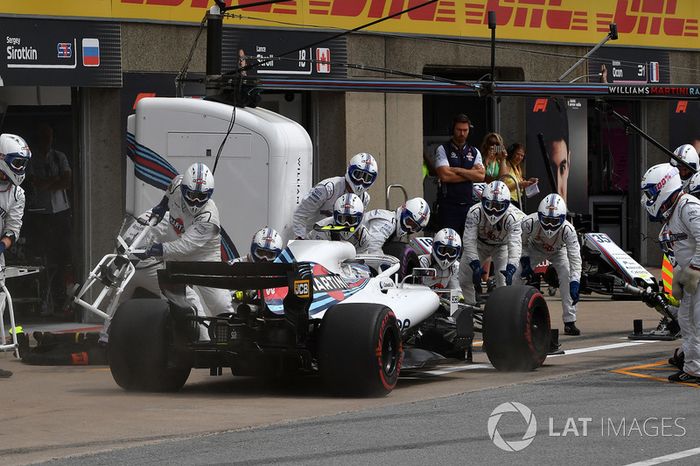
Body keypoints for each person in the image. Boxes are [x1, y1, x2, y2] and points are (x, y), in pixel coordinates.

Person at [141, 162, 234, 319]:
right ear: (184, 189)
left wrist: (156, 250)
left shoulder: (209, 217)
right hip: (173, 252)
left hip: (203, 259)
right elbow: (169, 192)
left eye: (202, 197)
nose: (196, 201)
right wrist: (162, 205)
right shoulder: (177, 183)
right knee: (176, 305)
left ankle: (228, 334)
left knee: (220, 304)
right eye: (192, 195)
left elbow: (185, 247)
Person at [641, 163, 700, 383]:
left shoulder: (688, 207)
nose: (647, 199)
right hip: (691, 277)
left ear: (663, 187)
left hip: (697, 275)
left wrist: (694, 270)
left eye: (650, 193)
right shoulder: (672, 213)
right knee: (686, 320)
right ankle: (693, 369)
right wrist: (680, 276)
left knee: (698, 320)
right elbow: (679, 251)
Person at [25, 123, 72, 316]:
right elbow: (33, 182)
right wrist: (55, 179)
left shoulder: (59, 156)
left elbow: (67, 181)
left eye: (50, 136)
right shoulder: (31, 158)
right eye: (44, 136)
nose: (47, 140)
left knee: (61, 256)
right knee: (41, 256)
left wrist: (48, 182)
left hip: (60, 211)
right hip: (39, 212)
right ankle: (41, 301)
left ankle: (61, 300)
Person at [519, 194, 582, 335]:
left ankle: (570, 320)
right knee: (517, 273)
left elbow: (575, 259)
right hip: (534, 249)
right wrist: (525, 260)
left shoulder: (568, 230)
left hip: (559, 251)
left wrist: (575, 281)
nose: (549, 225)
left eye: (554, 221)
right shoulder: (528, 222)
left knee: (567, 274)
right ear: (539, 215)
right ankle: (513, 315)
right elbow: (520, 243)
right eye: (546, 220)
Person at [458, 181, 523, 305]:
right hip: (480, 244)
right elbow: (469, 239)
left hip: (501, 246)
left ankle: (502, 310)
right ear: (483, 201)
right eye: (490, 205)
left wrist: (512, 266)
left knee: (503, 280)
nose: (493, 210)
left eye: (498, 206)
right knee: (464, 278)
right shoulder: (474, 212)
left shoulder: (513, 217)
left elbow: (515, 243)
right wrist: (474, 263)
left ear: (506, 205)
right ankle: (469, 306)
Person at [0, 133, 31, 377]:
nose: (21, 169)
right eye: (17, 163)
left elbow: (13, 228)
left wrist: (3, 245)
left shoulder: (17, 194)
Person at [293, 152, 378, 239]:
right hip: (313, 238)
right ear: (349, 170)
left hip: (339, 243)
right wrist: (301, 239)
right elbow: (300, 214)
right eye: (358, 175)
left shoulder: (365, 198)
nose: (361, 180)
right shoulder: (327, 188)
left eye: (367, 177)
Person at [433, 114, 485, 237]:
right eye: (459, 130)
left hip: (468, 206)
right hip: (448, 207)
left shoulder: (474, 151)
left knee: (468, 244)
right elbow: (445, 176)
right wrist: (470, 172)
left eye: (465, 130)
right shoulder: (443, 149)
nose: (462, 133)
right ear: (453, 129)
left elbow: (481, 176)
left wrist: (456, 170)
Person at [306, 193, 370, 254]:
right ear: (335, 216)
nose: (346, 224)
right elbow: (316, 257)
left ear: (360, 218)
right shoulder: (321, 228)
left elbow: (361, 262)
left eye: (351, 220)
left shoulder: (363, 236)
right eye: (342, 219)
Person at [364, 197, 431, 255]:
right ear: (404, 210)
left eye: (414, 227)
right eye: (409, 222)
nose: (409, 228)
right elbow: (371, 248)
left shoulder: (395, 227)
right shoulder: (388, 222)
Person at [500, 143, 538, 209]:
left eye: (522, 155)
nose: (519, 157)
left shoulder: (517, 168)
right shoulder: (506, 164)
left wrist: (529, 182)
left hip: (518, 202)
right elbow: (502, 186)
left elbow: (520, 185)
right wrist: (519, 184)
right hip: (508, 201)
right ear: (512, 153)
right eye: (517, 154)